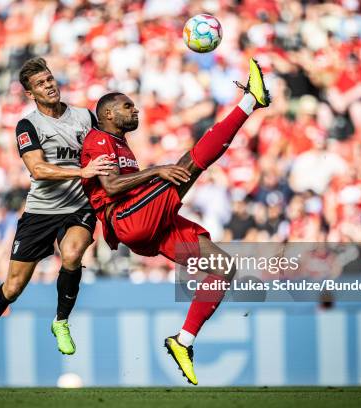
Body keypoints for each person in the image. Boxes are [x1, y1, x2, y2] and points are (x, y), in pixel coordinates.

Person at [81, 59, 270, 385]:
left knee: (223, 266)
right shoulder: (98, 140)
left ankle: (183, 341)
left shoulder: (121, 143)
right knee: (187, 165)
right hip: (128, 219)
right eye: (128, 106)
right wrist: (156, 170)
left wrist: (153, 174)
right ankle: (251, 101)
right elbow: (110, 187)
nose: (135, 111)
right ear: (108, 114)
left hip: (148, 226)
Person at [0, 57, 114, 380]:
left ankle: (61, 320)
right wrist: (82, 171)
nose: (49, 86)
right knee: (12, 288)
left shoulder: (84, 117)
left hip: (78, 207)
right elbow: (38, 169)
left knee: (71, 254)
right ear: (30, 93)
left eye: (50, 79)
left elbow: (106, 150)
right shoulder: (28, 126)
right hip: (40, 211)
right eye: (41, 84)